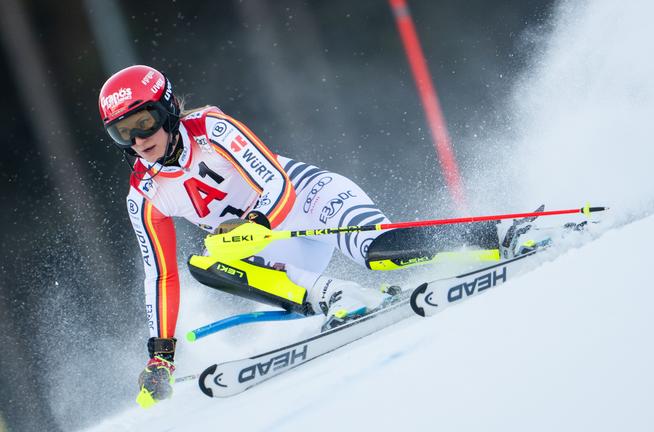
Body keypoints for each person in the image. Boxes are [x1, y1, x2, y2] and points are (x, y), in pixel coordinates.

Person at [98, 65, 544, 408]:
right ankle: (337, 295)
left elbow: (277, 184)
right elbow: (160, 277)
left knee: (379, 251)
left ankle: (501, 232)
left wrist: (254, 223)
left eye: (144, 122)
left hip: (309, 201)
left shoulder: (212, 129)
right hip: (273, 249)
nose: (138, 140)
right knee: (205, 264)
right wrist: (161, 357)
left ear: (169, 109)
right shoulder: (144, 195)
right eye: (123, 132)